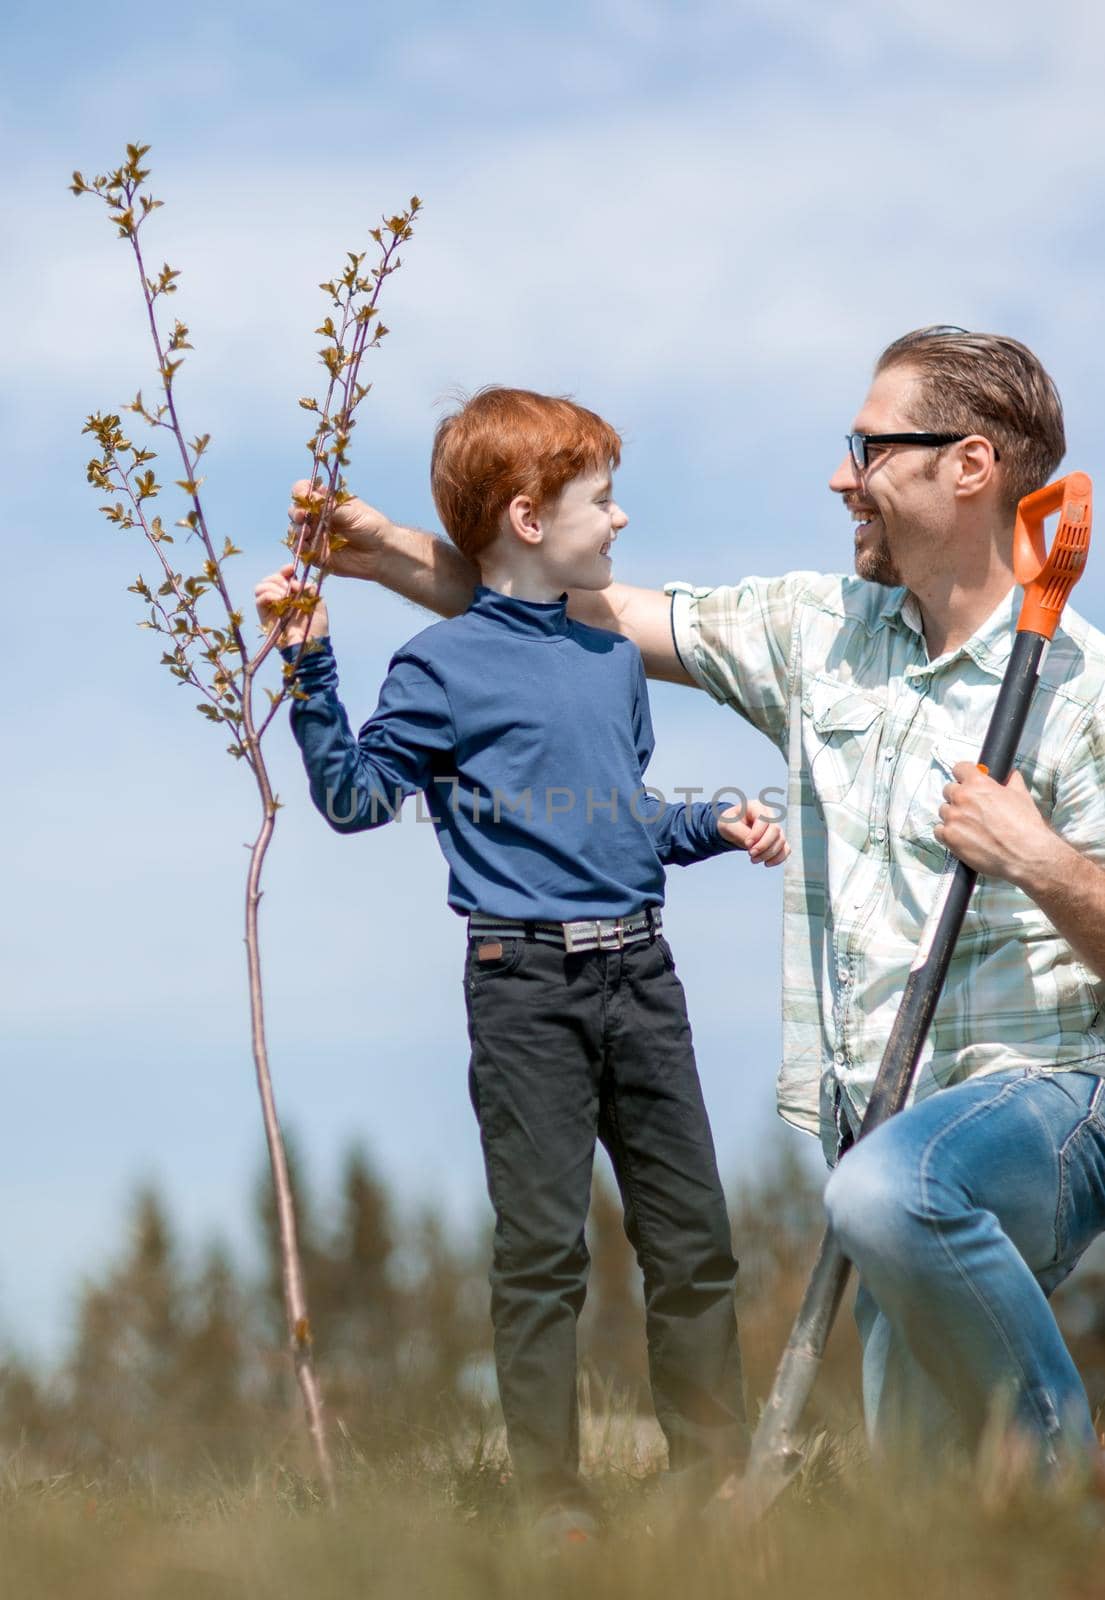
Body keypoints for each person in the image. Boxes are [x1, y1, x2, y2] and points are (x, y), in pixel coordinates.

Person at [305, 329, 1105, 1474]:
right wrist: (388, 550)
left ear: (968, 466)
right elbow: (551, 615)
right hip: (878, 1113)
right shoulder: (818, 635)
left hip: (1043, 1103)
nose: (842, 474)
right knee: (932, 1496)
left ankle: (1076, 1496)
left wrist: (1040, 856)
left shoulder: (1080, 690)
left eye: (867, 446)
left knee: (884, 1191)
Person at [257, 388, 788, 1535]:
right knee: (543, 1255)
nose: (623, 517)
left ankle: (717, 1483)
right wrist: (309, 668)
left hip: (643, 978)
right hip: (524, 992)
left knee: (693, 1242)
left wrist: (713, 823)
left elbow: (620, 816)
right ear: (531, 519)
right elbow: (355, 799)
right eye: (603, 498)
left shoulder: (608, 659)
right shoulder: (437, 667)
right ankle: (555, 1501)